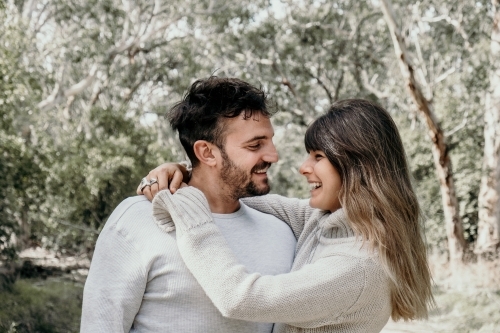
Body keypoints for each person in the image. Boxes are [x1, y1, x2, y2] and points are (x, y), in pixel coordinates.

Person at [145, 99, 435, 333]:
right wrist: (189, 171)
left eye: (318, 157)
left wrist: (185, 207)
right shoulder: (325, 221)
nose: (303, 167)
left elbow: (238, 298)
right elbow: (237, 193)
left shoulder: (357, 269)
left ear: (357, 167)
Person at [80, 77, 297, 333]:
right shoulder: (137, 220)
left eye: (271, 141)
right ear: (206, 152)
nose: (273, 155)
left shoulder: (282, 233)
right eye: (255, 145)